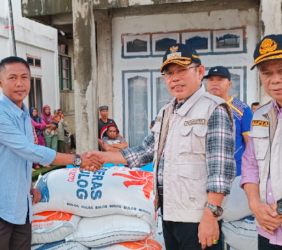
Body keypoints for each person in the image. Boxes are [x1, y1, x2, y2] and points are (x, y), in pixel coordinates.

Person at [86, 44, 236, 250]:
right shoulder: (166, 111)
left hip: (198, 218)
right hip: (170, 214)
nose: (174, 78)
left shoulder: (213, 109)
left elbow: (221, 172)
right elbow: (146, 152)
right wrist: (103, 157)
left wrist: (210, 217)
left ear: (200, 72)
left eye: (182, 70)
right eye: (169, 73)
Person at [0, 56, 103, 250]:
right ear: (0, 82)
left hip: (20, 207)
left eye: (24, 77)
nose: (19, 83)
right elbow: (30, 150)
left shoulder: (23, 113)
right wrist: (78, 160)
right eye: (12, 77)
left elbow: (19, 158)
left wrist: (29, 186)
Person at [240, 34, 282, 250]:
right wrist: (254, 204)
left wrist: (280, 209)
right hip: (267, 229)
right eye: (267, 73)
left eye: (281, 71)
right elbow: (250, 164)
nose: (274, 79)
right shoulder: (260, 116)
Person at [204, 66, 253, 176]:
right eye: (211, 80)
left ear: (229, 84)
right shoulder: (199, 108)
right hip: (205, 173)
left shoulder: (242, 109)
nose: (214, 83)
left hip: (236, 173)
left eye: (220, 79)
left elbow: (250, 145)